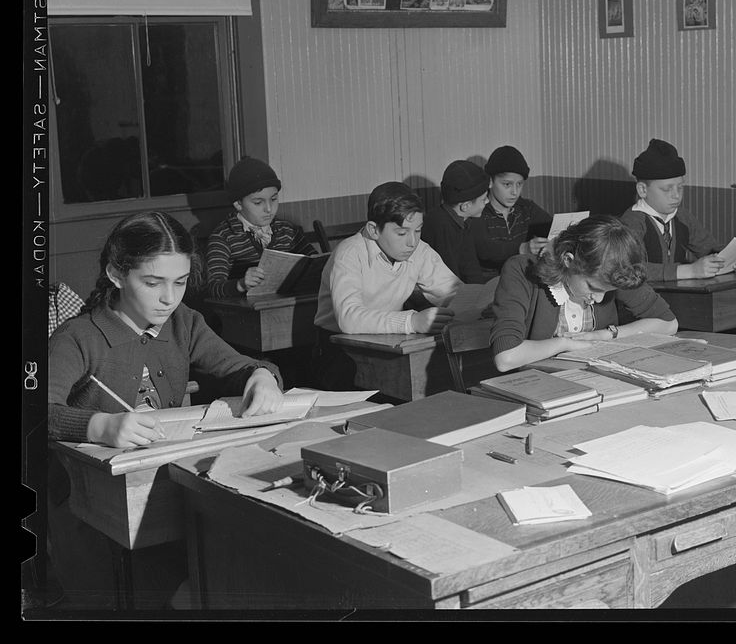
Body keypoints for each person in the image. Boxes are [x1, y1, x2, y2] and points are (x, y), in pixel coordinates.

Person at [47, 211, 284, 607]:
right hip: (87, 509)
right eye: (152, 283)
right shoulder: (76, 337)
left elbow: (238, 365)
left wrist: (260, 376)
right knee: (172, 592)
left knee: (225, 573)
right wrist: (100, 426)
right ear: (116, 274)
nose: (169, 298)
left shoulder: (184, 324)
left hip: (161, 492)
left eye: (180, 282)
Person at [312, 182, 461, 390]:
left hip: (390, 343)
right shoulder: (349, 254)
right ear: (374, 230)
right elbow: (349, 318)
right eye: (401, 233)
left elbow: (453, 292)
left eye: (418, 231)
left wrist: (482, 303)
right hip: (340, 351)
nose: (412, 242)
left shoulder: (420, 251)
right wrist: (413, 322)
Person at [490, 214, 679, 372]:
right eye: (592, 287)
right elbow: (506, 357)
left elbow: (669, 324)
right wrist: (565, 344)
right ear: (568, 260)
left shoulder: (612, 267)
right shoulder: (521, 270)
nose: (598, 298)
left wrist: (607, 335)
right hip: (535, 387)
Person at [619, 139, 736, 281]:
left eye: (680, 187)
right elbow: (629, 269)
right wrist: (689, 271)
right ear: (642, 190)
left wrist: (734, 259)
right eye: (667, 189)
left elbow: (710, 249)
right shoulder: (631, 223)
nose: (676, 195)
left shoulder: (682, 217)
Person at [205, 157, 315, 299]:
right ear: (238, 204)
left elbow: (315, 263)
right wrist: (240, 284)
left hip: (287, 306)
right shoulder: (223, 237)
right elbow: (213, 288)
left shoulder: (289, 231)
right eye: (258, 202)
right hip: (243, 312)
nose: (269, 209)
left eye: (274, 199)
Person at [473, 145, 552, 280]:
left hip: (521, 280)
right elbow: (485, 249)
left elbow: (551, 226)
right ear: (490, 182)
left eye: (519, 184)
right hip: (488, 284)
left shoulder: (526, 208)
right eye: (507, 184)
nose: (514, 192)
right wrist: (522, 249)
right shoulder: (478, 211)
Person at [421, 160, 489, 283]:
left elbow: (470, 267)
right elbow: (448, 278)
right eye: (483, 199)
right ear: (465, 206)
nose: (487, 202)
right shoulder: (440, 227)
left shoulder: (463, 221)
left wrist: (480, 292)